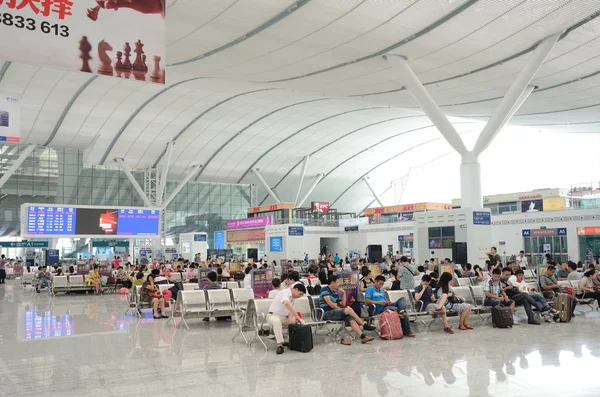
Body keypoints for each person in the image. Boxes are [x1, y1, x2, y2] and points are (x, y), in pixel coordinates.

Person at [319, 275, 376, 345]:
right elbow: (329, 303)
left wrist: (344, 294)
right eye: (337, 282)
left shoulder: (334, 293)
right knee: (348, 309)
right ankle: (363, 324)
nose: (338, 284)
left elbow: (343, 303)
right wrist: (340, 309)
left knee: (350, 318)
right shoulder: (324, 290)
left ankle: (363, 337)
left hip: (335, 312)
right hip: (326, 313)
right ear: (332, 282)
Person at [267, 283, 307, 354]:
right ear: (295, 290)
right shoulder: (284, 293)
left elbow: (291, 308)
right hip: (272, 316)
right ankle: (280, 345)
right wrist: (297, 316)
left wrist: (291, 317)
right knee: (277, 322)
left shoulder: (293, 297)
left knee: (298, 322)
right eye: (300, 294)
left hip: (284, 317)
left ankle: (294, 341)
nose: (299, 296)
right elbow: (287, 304)